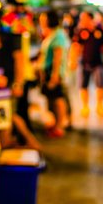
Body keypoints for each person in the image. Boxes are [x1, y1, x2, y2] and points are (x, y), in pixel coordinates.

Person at [0, 0, 41, 150]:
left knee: (10, 113)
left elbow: (19, 58)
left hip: (10, 81)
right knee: (11, 113)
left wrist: (18, 83)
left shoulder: (13, 34)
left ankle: (29, 143)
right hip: (5, 80)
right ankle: (26, 143)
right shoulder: (8, 33)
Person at [70, 11, 103, 118]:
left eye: (84, 19)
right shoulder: (80, 31)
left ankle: (100, 106)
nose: (82, 21)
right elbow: (75, 46)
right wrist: (72, 60)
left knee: (100, 85)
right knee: (83, 86)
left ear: (90, 19)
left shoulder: (99, 31)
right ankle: (85, 106)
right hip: (84, 63)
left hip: (97, 62)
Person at [39, 9, 70, 138]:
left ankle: (59, 126)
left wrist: (55, 75)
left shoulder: (58, 35)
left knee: (58, 98)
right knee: (53, 98)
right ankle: (56, 123)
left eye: (43, 18)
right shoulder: (53, 34)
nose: (41, 21)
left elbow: (58, 56)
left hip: (54, 71)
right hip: (50, 71)